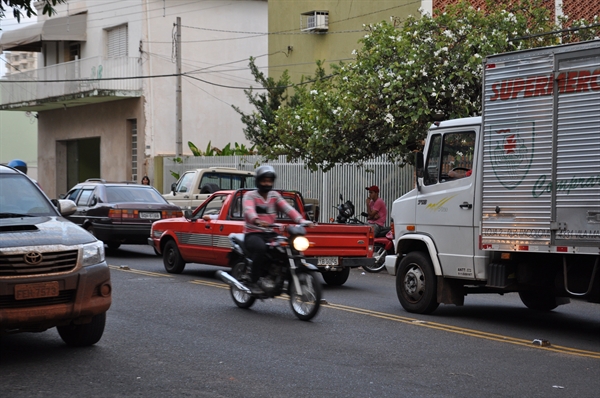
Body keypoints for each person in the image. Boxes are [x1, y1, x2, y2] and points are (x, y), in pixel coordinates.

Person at [242, 165, 312, 293]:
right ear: (258, 181)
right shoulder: (250, 195)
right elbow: (248, 211)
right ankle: (253, 281)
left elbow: (287, 209)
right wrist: (257, 220)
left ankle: (276, 275)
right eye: (264, 180)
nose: (267, 183)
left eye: (269, 180)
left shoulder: (274, 195)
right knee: (260, 248)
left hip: (269, 233)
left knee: (284, 248)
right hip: (253, 233)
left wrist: (301, 220)